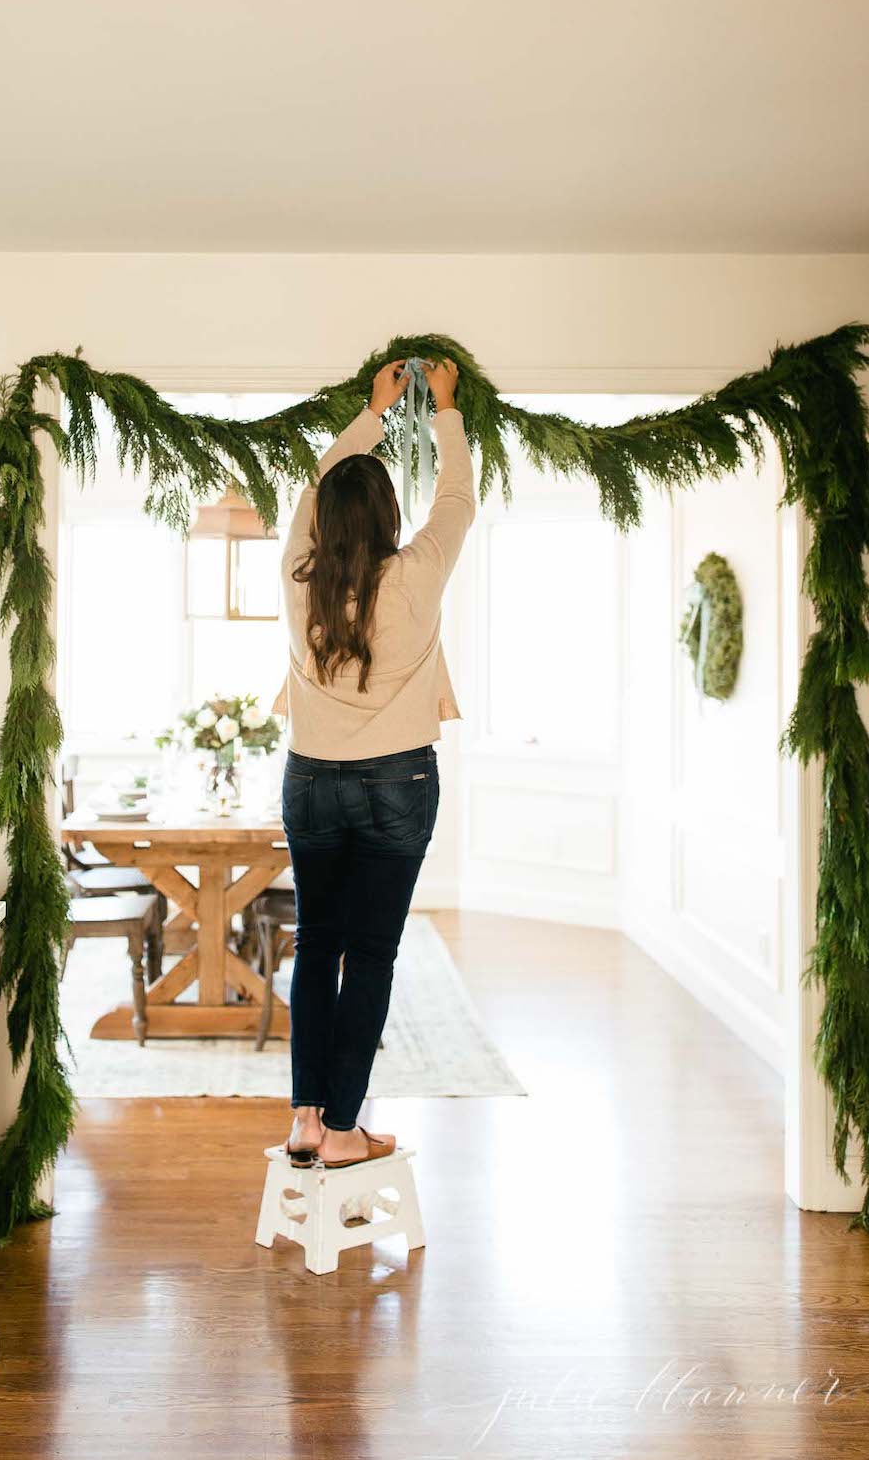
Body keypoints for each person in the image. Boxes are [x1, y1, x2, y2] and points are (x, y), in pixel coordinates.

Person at [273, 355, 476, 1168]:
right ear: (390, 515)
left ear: (323, 518)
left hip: (312, 780)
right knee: (374, 953)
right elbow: (456, 501)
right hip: (398, 781)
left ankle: (306, 1121)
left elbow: (314, 485)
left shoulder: (297, 575)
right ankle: (349, 1129)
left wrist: (369, 414)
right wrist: (442, 411)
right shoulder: (416, 575)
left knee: (317, 945)